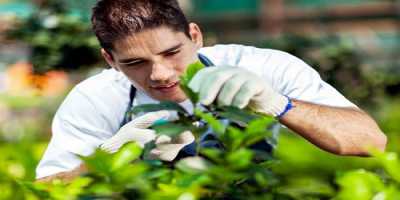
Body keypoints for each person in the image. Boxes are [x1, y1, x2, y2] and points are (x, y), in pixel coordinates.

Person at [36, 0, 386, 182]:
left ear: (195, 35)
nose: (159, 74)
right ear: (109, 59)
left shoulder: (264, 66)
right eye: (134, 63)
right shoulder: (94, 99)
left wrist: (280, 104)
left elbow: (371, 142)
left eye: (172, 53)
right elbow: (45, 191)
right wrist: (109, 160)